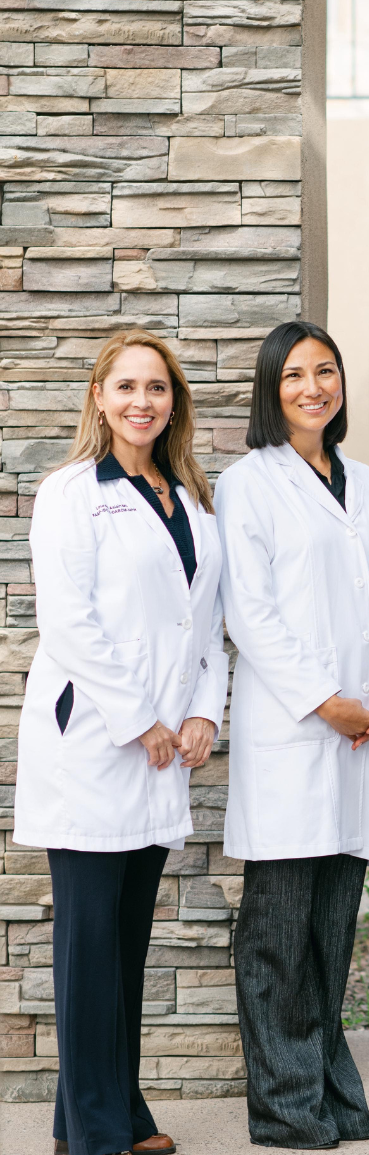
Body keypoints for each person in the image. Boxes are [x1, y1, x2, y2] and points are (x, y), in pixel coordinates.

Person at [13, 330, 227, 1155]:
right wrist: (140, 718)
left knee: (125, 947)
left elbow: (205, 622)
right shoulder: (71, 491)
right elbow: (69, 622)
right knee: (89, 950)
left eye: (158, 388)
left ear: (175, 402)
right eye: (127, 386)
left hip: (163, 750)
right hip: (98, 746)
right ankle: (98, 1132)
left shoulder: (192, 499)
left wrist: (205, 707)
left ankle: (104, 1119)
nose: (143, 401)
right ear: (99, 398)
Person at [215, 321, 369, 1150]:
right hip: (298, 733)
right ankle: (285, 1104)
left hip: (365, 734)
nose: (312, 387)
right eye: (295, 374)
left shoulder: (366, 481)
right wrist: (327, 701)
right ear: (272, 388)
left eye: (325, 371)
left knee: (333, 928)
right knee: (277, 933)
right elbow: (250, 614)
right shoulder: (247, 484)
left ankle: (330, 1086)